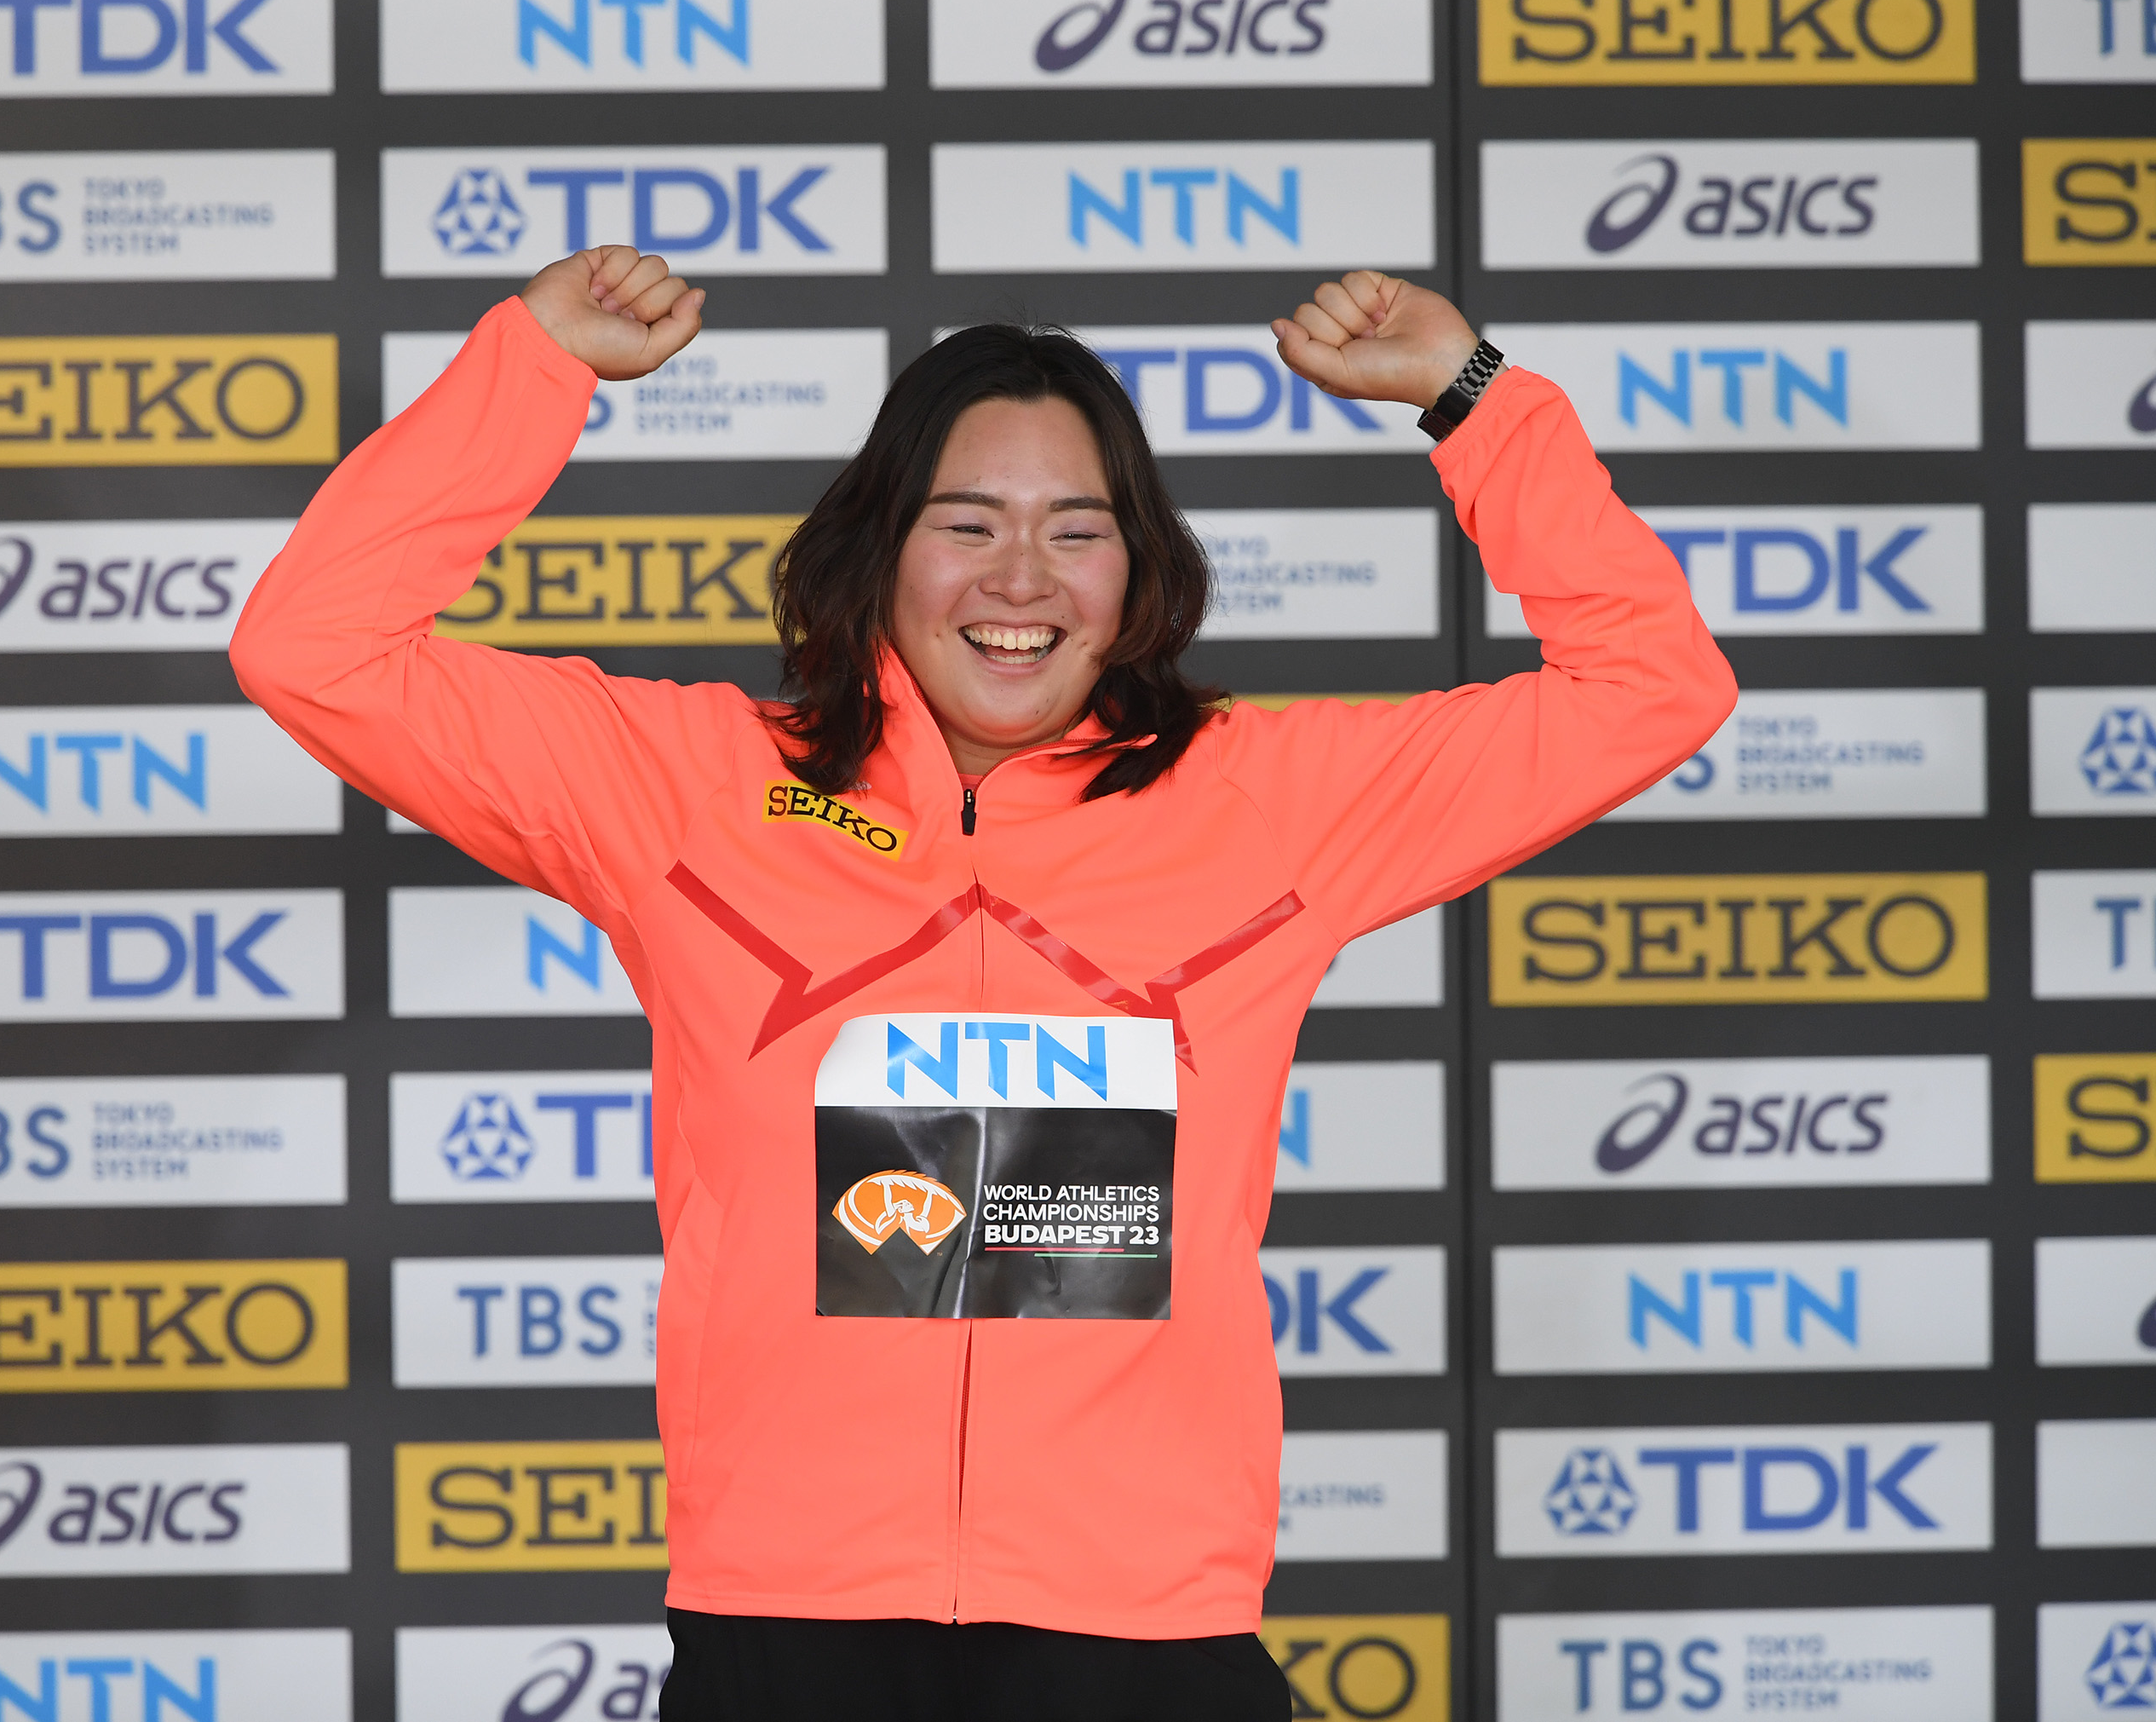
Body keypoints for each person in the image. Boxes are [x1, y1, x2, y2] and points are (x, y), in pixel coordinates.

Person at [233, 246, 1735, 1720]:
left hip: (1142, 1628)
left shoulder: (1268, 801)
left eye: (1078, 530)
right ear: (879, 546)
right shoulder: (688, 788)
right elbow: (315, 646)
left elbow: (1650, 687)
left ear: (1137, 571)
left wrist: (1471, 396)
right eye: (967, 523)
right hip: (788, 1617)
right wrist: (534, 368)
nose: (1020, 579)